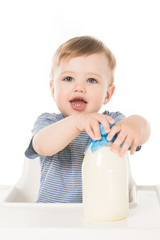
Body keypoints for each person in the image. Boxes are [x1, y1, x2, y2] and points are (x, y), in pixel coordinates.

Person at [25, 36, 151, 203]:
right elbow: (42, 146)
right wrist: (76, 122)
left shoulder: (110, 122)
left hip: (103, 216)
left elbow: (142, 129)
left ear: (107, 94)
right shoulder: (49, 122)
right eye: (68, 78)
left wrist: (135, 126)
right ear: (53, 89)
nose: (79, 87)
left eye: (92, 80)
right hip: (53, 217)